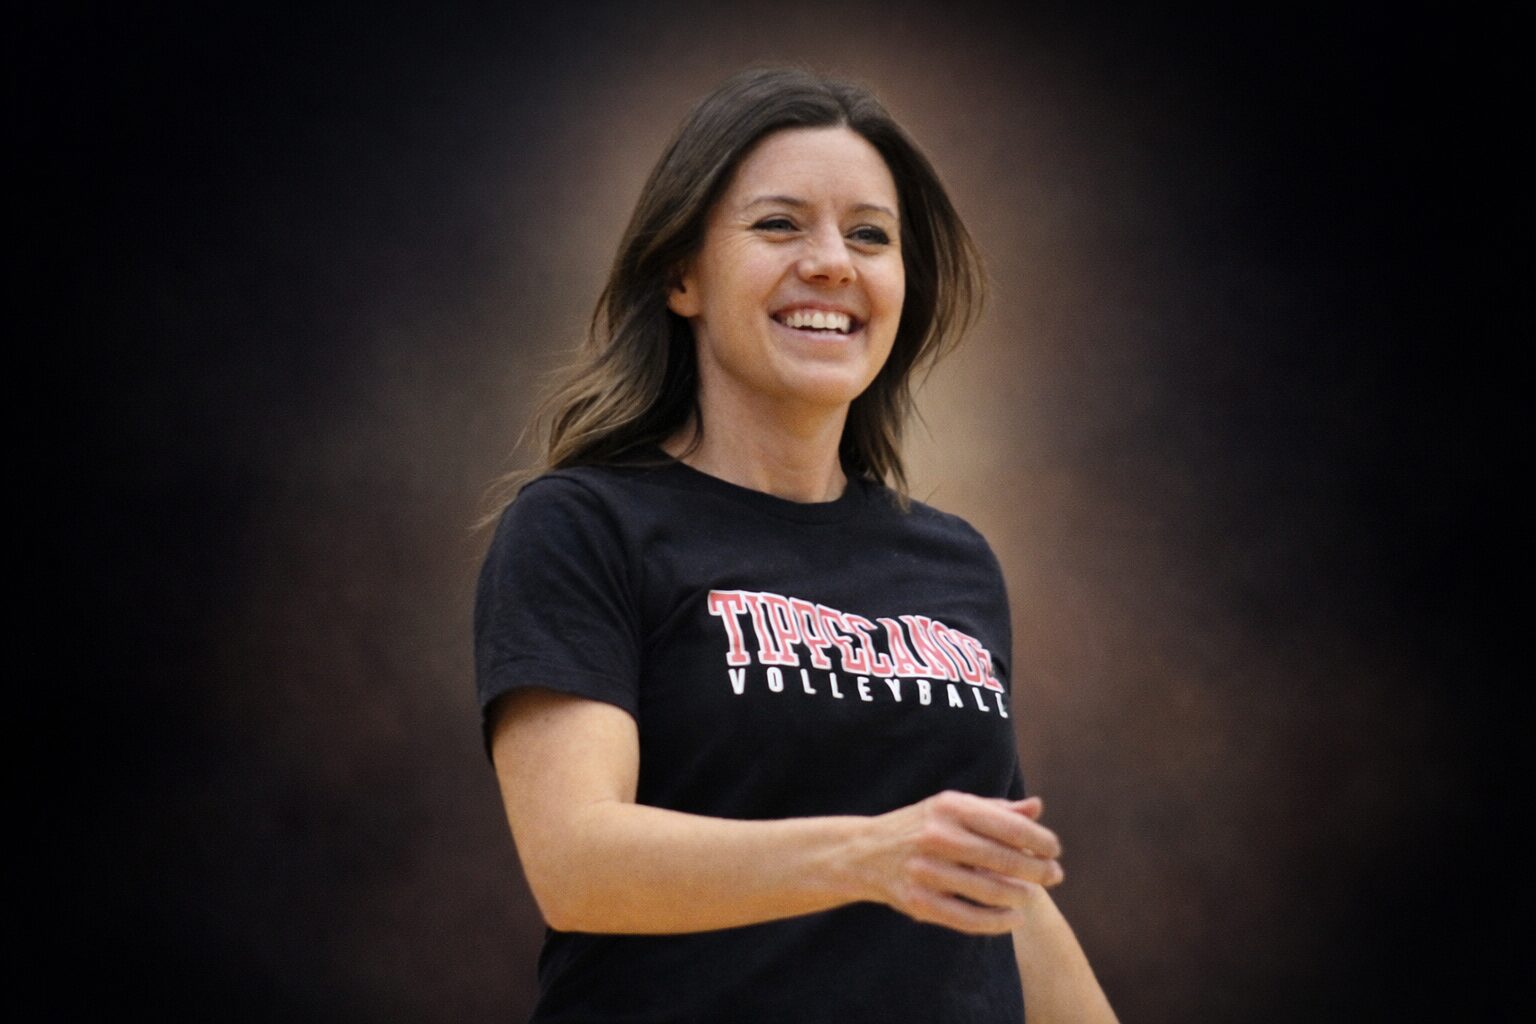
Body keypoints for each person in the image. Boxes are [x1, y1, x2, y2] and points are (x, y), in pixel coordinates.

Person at [474, 66, 1117, 1023]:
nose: (832, 263)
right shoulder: (584, 526)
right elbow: (576, 864)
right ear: (681, 275)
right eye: (779, 225)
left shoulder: (956, 563)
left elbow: (996, 892)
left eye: (870, 235)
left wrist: (929, 861)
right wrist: (869, 856)